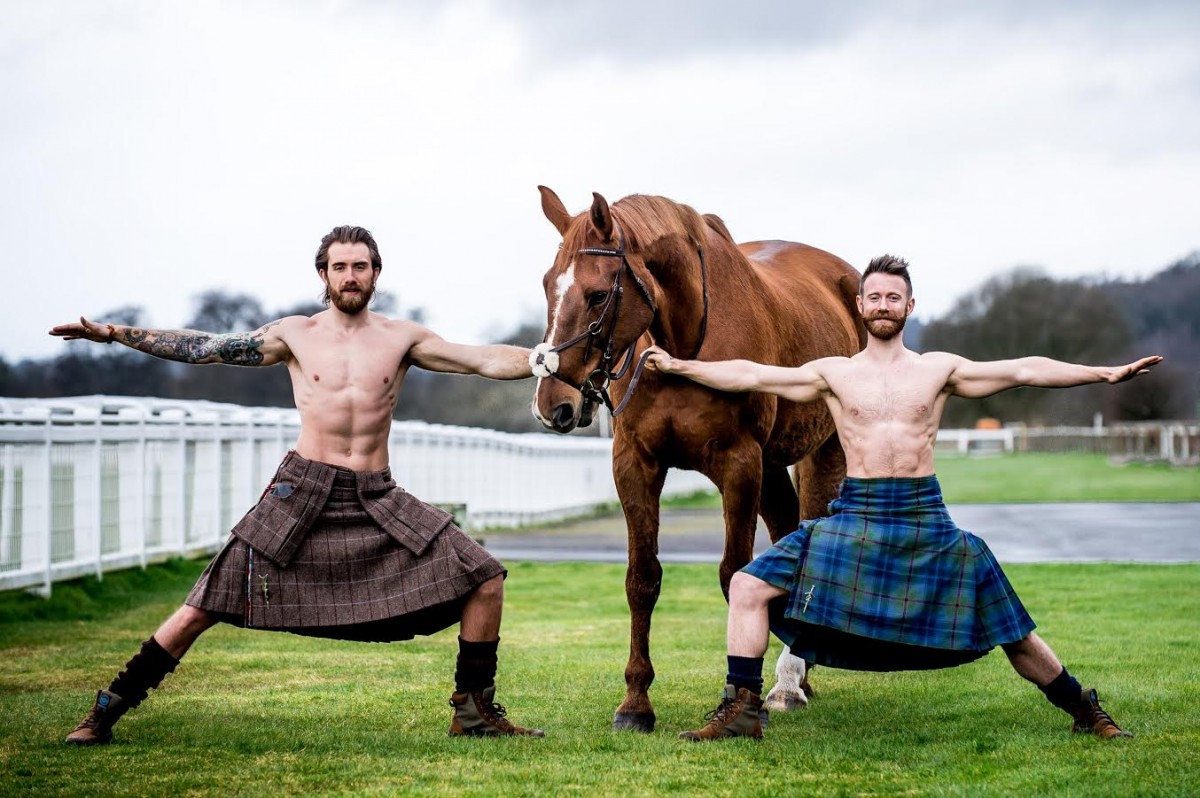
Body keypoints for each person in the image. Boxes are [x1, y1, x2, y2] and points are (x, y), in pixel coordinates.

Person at [50, 225, 544, 743]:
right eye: (339, 267)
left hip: (376, 495)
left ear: (376, 274)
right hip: (301, 492)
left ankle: (473, 714)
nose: (350, 277)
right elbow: (206, 348)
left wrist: (542, 360)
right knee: (204, 604)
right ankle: (105, 710)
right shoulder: (295, 334)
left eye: (360, 267)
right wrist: (114, 334)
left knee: (483, 575)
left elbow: (482, 358)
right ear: (323, 275)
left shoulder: (404, 338)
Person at [644, 254, 1161, 742]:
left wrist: (1103, 373)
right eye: (875, 297)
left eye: (894, 297)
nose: (884, 305)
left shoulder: (939, 370)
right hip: (855, 514)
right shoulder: (834, 373)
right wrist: (678, 367)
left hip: (922, 514)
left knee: (1011, 628)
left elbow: (1024, 369)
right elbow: (752, 374)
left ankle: (1083, 709)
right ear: (860, 306)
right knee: (748, 585)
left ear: (909, 307)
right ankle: (741, 710)